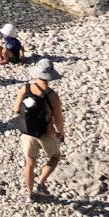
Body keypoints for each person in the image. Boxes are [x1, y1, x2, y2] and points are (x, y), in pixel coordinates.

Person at [13, 58, 65, 203]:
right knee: (55, 157)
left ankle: (30, 194)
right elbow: (58, 120)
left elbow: (16, 109)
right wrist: (60, 133)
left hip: (27, 132)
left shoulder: (25, 88)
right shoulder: (52, 95)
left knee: (30, 162)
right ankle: (41, 183)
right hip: (45, 133)